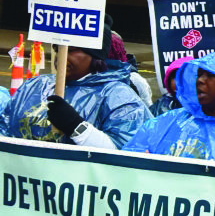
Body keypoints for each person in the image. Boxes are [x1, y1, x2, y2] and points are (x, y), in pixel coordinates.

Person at [0, 29, 149, 149]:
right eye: (57, 50)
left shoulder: (118, 96)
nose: (60, 57)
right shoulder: (34, 86)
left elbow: (126, 154)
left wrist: (76, 126)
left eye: (71, 50)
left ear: (95, 56)